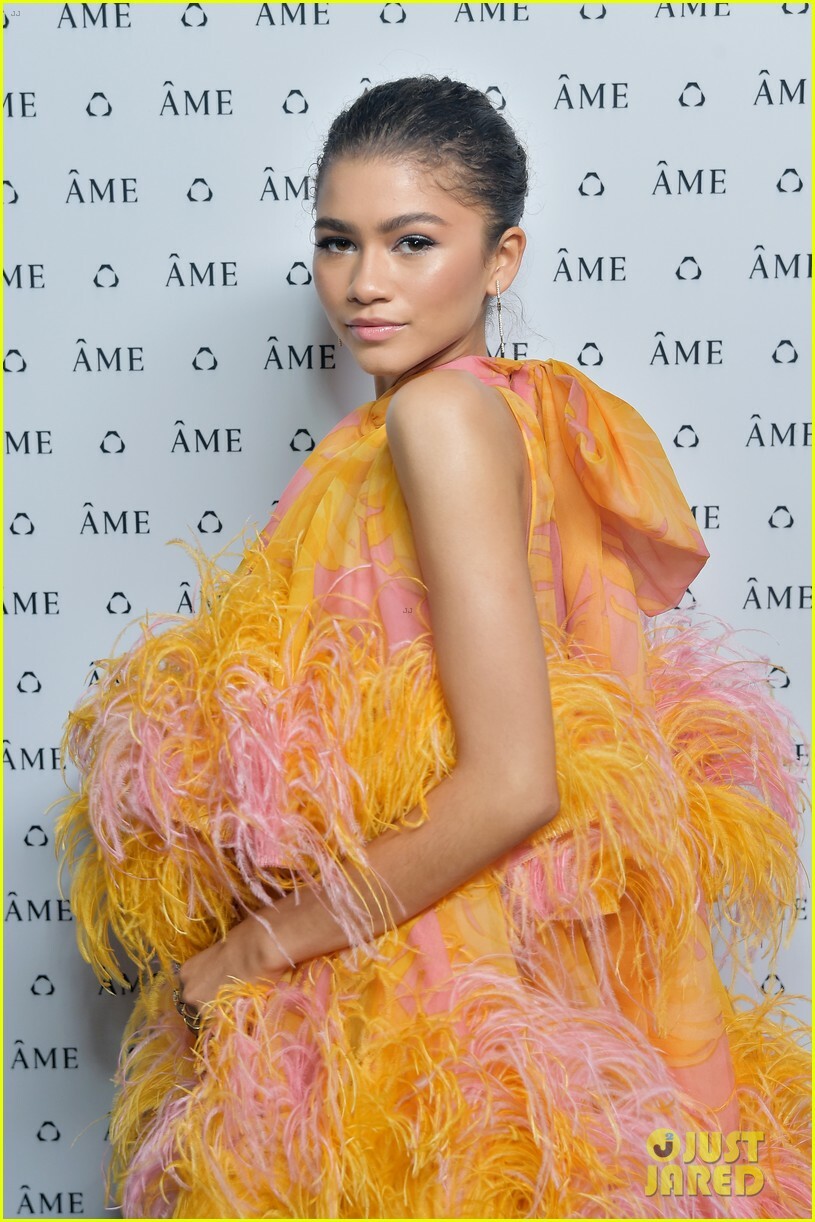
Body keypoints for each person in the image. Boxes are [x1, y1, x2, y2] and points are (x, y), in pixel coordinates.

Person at [57, 76, 810, 1219]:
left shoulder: (438, 417)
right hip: (493, 963)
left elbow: (513, 782)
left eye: (412, 241)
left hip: (439, 983)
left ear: (501, 258)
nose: (364, 281)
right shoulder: (506, 411)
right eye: (337, 242)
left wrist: (253, 948)